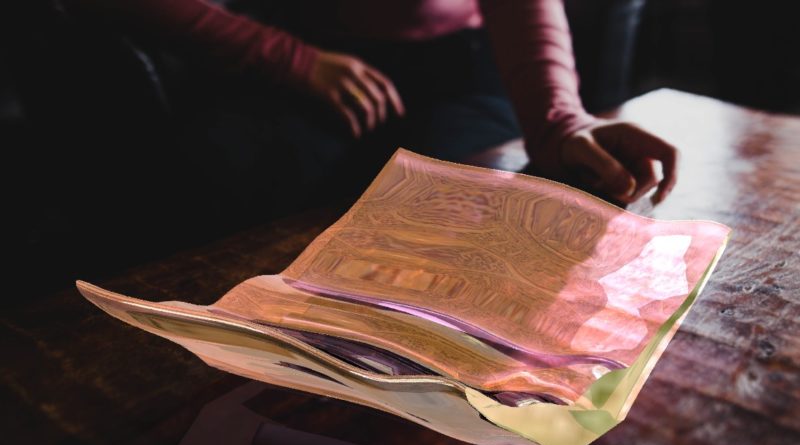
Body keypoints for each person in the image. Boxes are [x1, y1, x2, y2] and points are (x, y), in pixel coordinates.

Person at [65, 0, 677, 216]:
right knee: (212, 170)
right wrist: (289, 60)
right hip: (309, 62)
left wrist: (561, 122)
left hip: (459, 67)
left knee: (461, 206)